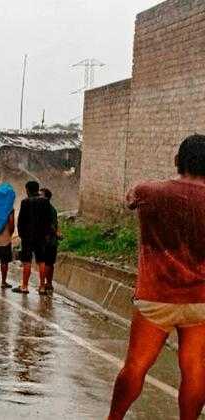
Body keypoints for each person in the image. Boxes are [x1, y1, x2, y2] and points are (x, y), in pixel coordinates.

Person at [108, 135, 205, 420]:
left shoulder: (148, 191)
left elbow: (129, 200)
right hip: (201, 300)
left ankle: (113, 419)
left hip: (156, 296)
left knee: (136, 366)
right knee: (195, 368)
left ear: (177, 161)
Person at [12, 180, 53, 294]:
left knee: (27, 261)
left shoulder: (25, 202)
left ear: (28, 190)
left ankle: (24, 286)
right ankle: (42, 287)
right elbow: (48, 220)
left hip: (28, 237)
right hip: (41, 236)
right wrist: (46, 234)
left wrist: (21, 234)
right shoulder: (45, 202)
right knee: (41, 261)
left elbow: (21, 221)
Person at [40, 188, 60, 294]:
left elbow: (51, 225)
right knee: (50, 263)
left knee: (46, 263)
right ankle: (49, 283)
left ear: (46, 197)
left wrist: (56, 233)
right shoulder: (52, 209)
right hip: (52, 240)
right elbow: (55, 223)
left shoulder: (45, 209)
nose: (38, 197)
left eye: (40, 195)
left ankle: (43, 285)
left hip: (47, 240)